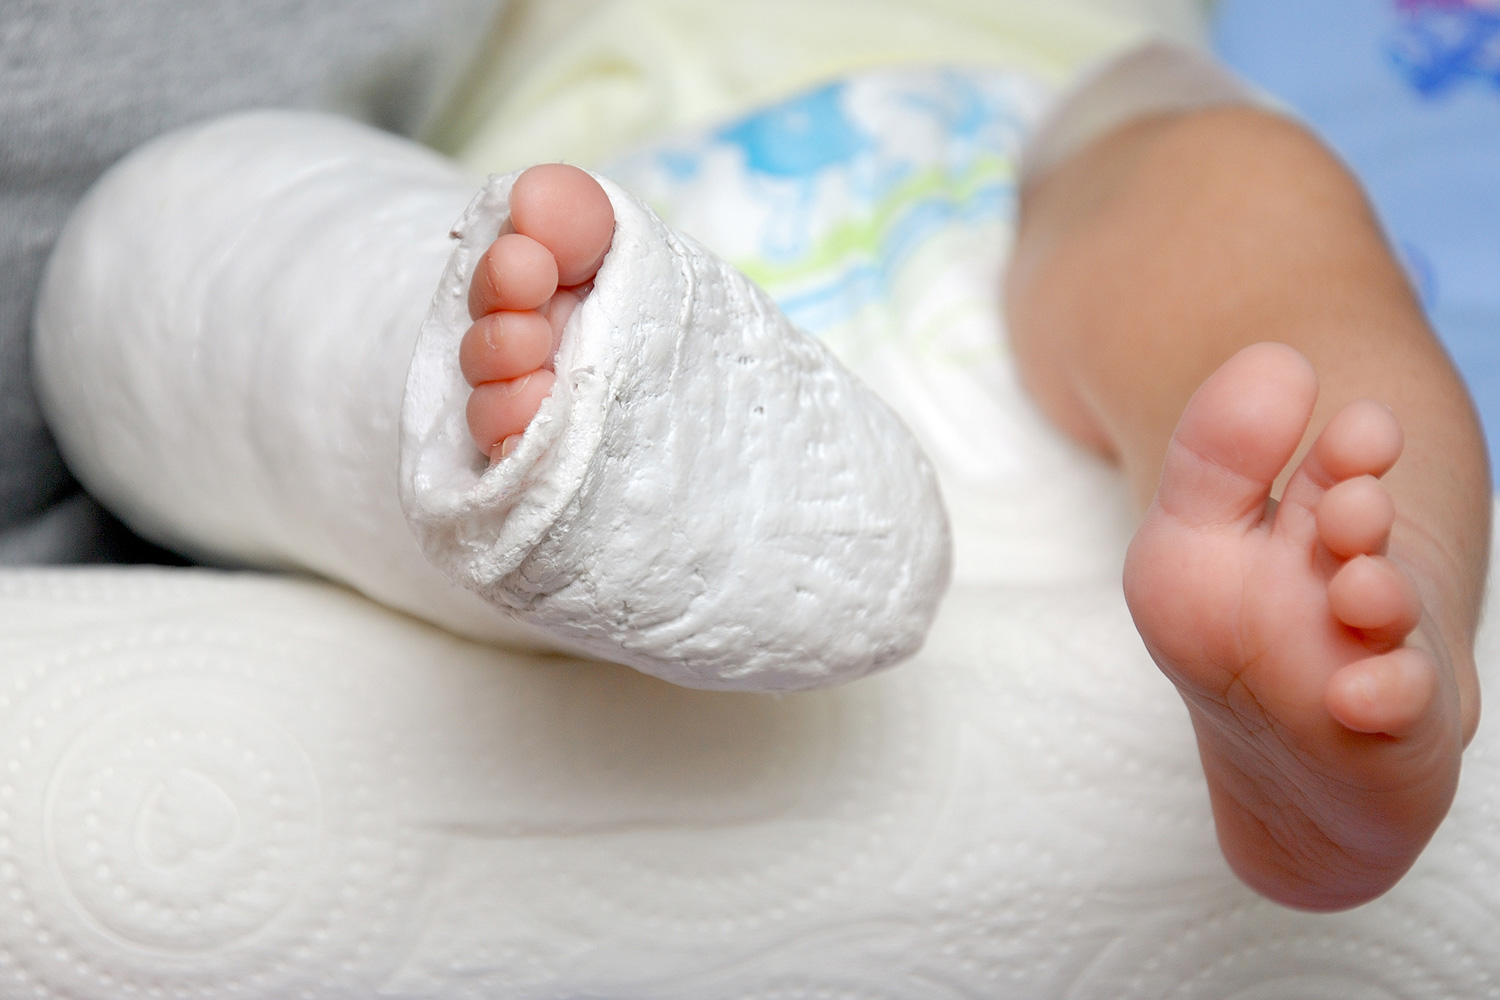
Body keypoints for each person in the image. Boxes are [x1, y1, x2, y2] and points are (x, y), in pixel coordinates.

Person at [451, 100, 1489, 911]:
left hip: (996, 175)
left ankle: (1379, 618)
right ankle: (567, 481)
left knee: (1235, 181)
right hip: (595, 244)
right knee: (437, 350)